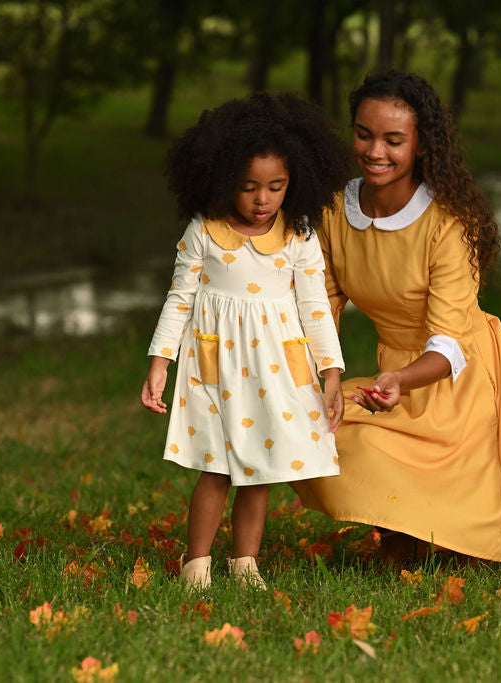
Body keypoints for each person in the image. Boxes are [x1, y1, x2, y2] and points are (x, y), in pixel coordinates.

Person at [291, 70, 501, 564]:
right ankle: (406, 536)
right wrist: (315, 374)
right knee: (313, 430)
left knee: (474, 540)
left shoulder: (448, 224)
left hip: (463, 378)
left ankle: (422, 540)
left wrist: (401, 379)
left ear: (421, 145)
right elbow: (321, 304)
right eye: (364, 134)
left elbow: (449, 343)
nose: (375, 151)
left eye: (393, 140)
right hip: (394, 376)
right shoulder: (336, 210)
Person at [141, 93, 351, 590]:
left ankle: (245, 564)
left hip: (276, 368)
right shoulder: (204, 232)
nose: (263, 200)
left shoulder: (299, 235)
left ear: (293, 183)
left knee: (261, 469)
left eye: (276, 187)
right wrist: (159, 361)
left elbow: (315, 307)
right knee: (215, 468)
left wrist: (331, 372)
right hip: (214, 369)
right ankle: (196, 566)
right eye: (249, 187)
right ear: (221, 180)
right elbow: (179, 299)